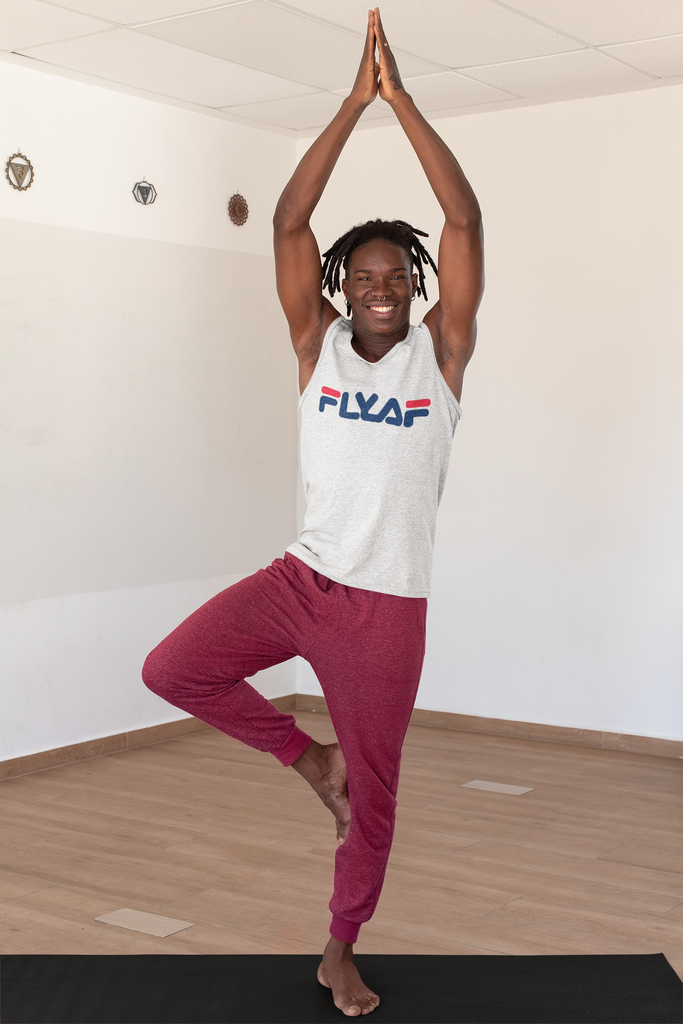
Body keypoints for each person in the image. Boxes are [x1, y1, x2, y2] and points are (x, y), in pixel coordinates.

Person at [142, 8, 483, 1016]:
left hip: (386, 608)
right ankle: (307, 755)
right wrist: (348, 105)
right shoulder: (313, 346)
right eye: (362, 277)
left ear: (415, 288)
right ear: (342, 286)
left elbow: (461, 222)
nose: (379, 289)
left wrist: (403, 103)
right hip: (302, 580)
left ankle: (339, 947)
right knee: (172, 666)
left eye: (394, 277)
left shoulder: (443, 354)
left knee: (374, 797)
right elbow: (289, 224)